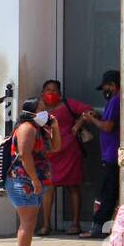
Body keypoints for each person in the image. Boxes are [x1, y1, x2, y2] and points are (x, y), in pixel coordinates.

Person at [5, 98, 60, 246]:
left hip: (33, 181)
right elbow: (24, 154)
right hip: (23, 181)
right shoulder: (27, 128)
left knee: (30, 222)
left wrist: (55, 127)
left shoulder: (39, 129)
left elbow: (56, 147)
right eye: (42, 109)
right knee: (27, 223)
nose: (46, 113)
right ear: (31, 112)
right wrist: (35, 180)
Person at [38, 79, 92, 236]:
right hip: (49, 153)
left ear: (60, 94)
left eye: (54, 90)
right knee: (48, 188)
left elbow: (89, 111)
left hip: (69, 152)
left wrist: (77, 125)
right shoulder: (40, 107)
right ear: (42, 93)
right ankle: (46, 224)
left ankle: (76, 224)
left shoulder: (68, 104)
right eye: (48, 90)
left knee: (73, 186)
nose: (51, 93)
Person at [81, 69, 122, 238]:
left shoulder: (115, 101)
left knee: (107, 192)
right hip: (111, 153)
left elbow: (107, 127)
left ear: (113, 85)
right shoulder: (117, 101)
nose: (105, 91)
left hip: (111, 154)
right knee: (109, 191)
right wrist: (99, 115)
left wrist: (91, 120)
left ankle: (99, 227)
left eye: (106, 87)